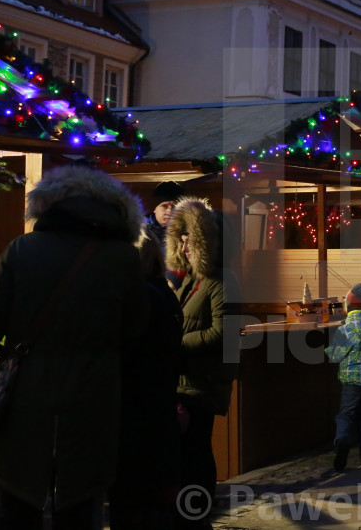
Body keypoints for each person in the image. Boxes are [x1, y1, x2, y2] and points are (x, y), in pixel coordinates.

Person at [0, 165, 149, 529]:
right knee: (79, 508)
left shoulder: (22, 249)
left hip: (25, 398)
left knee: (18, 505)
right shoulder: (124, 258)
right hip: (94, 399)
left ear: (49, 205)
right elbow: (136, 332)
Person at [167, 198, 240, 526]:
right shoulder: (189, 280)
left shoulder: (221, 281)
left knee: (196, 449)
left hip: (203, 379)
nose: (183, 244)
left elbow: (222, 332)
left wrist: (175, 345)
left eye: (188, 238)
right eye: (179, 237)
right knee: (187, 450)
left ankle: (196, 513)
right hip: (186, 378)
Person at [109, 234, 184, 529]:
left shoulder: (141, 298)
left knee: (131, 495)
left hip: (136, 408)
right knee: (155, 493)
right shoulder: (164, 295)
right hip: (159, 405)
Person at [326, 283, 361, 471]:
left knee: (347, 415)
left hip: (352, 379)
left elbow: (335, 355)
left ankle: (342, 442)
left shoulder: (347, 328)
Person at [144, 181, 187, 287]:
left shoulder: (187, 233)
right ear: (155, 208)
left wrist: (173, 280)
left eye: (174, 206)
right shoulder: (140, 232)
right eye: (164, 206)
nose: (169, 211)